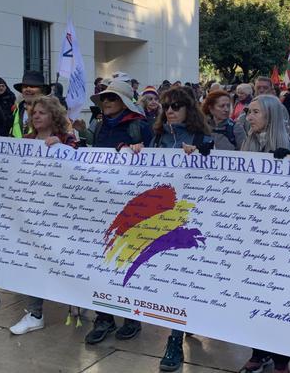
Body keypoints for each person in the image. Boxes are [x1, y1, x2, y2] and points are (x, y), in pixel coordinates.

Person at [238, 94, 290, 373]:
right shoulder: (247, 144)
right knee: (253, 297)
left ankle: (281, 360)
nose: (249, 117)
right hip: (252, 235)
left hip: (280, 241)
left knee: (278, 302)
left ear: (271, 116)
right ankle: (258, 352)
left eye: (255, 112)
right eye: (248, 112)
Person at [150, 87, 215, 371]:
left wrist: (201, 157)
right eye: (166, 106)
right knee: (169, 283)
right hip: (160, 220)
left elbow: (220, 181)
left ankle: (174, 342)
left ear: (190, 108)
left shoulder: (205, 139)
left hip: (191, 224)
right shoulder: (157, 138)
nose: (171, 110)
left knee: (179, 283)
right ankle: (180, 326)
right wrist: (133, 153)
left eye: (176, 105)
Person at [84, 79, 152, 345]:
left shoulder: (139, 127)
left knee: (127, 260)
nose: (106, 102)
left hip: (131, 205)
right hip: (103, 203)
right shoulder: (100, 126)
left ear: (123, 102)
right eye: (104, 99)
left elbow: (156, 161)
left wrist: (140, 152)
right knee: (102, 260)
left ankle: (131, 317)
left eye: (111, 98)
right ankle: (104, 317)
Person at [8, 95, 79, 334]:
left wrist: (60, 147)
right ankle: (34, 313)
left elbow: (79, 169)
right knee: (33, 260)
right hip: (33, 213)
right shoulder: (26, 140)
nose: (35, 116)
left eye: (41, 112)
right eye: (33, 112)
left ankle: (78, 303)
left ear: (53, 116)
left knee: (65, 261)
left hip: (61, 214)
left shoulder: (68, 140)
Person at [10, 70, 51, 137]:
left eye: (32, 86)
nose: (28, 89)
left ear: (42, 90)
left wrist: (57, 139)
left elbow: (66, 136)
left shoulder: (52, 111)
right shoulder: (16, 109)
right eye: (25, 86)